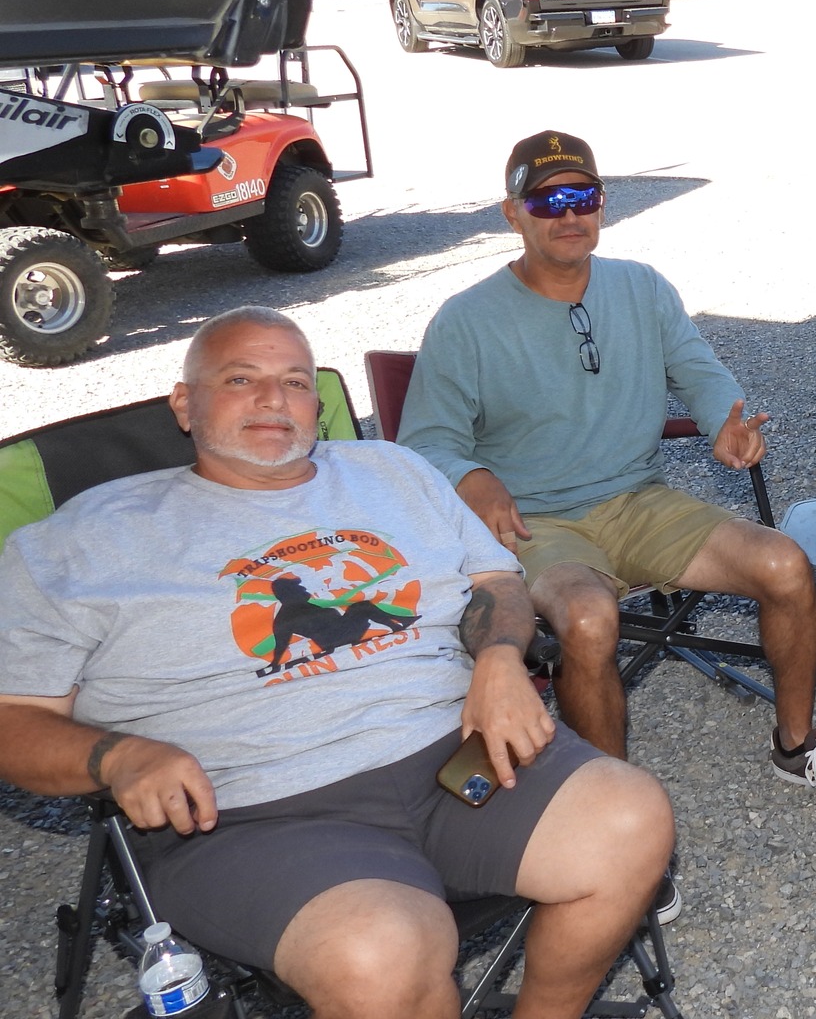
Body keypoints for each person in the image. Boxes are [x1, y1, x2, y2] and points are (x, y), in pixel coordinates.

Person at [0, 308, 674, 1019]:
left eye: (295, 381)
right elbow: (14, 719)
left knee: (630, 817)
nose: (272, 399)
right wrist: (120, 757)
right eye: (240, 378)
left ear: (316, 408)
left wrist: (502, 659)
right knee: (381, 952)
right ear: (183, 404)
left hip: (460, 757)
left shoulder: (391, 470)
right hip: (254, 813)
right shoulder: (82, 540)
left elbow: (496, 581)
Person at [400, 130, 816, 812]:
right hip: (536, 519)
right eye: (546, 200)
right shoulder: (466, 321)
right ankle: (610, 814)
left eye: (584, 196)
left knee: (784, 563)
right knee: (588, 618)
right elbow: (425, 441)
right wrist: (471, 476)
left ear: (603, 205)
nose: (569, 214)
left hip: (638, 500)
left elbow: (696, 367)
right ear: (511, 213)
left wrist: (725, 417)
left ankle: (797, 745)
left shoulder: (640, 287)